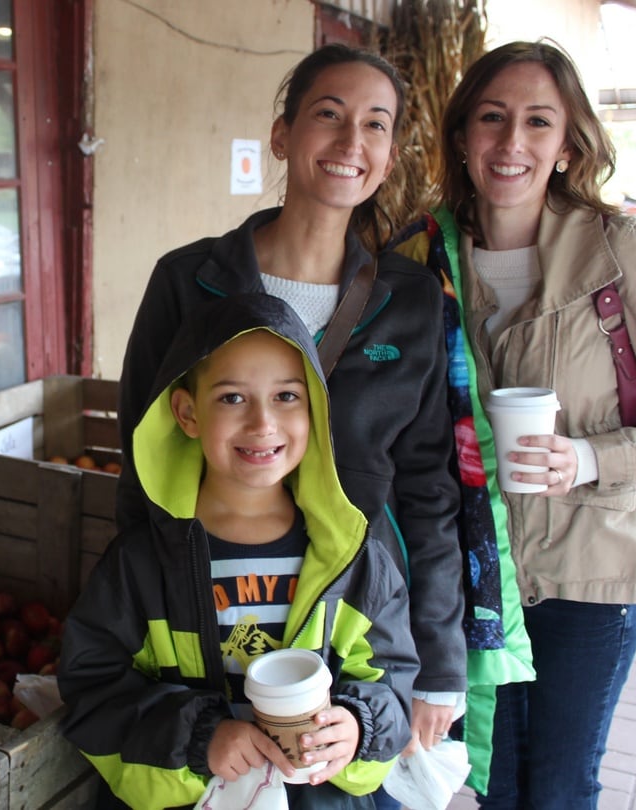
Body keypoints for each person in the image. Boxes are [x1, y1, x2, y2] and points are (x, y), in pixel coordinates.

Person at [114, 46, 467, 807]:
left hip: (360, 616)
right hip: (214, 606)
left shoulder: (409, 301)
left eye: (375, 125)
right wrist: (140, 601)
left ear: (389, 154)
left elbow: (429, 487)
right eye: (328, 116)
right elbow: (140, 458)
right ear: (282, 135)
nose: (350, 144)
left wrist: (435, 666)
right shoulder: (190, 281)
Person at [403, 40, 636, 808]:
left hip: (584, 584)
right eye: (492, 118)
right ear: (462, 136)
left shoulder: (620, 252)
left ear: (568, 145)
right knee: (491, 788)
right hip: (464, 585)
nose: (512, 142)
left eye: (538, 121)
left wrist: (588, 458)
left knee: (557, 791)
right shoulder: (420, 256)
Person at [60, 293, 418, 809]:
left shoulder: (353, 560)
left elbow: (392, 679)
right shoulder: (141, 564)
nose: (262, 424)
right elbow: (93, 690)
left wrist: (358, 727)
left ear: (315, 409)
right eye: (232, 398)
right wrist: (200, 739)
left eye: (287, 397)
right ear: (187, 413)